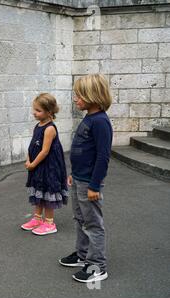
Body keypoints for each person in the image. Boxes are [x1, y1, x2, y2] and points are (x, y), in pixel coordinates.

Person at [59, 73, 112, 283]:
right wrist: (73, 173)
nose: (75, 99)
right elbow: (84, 151)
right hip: (79, 179)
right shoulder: (89, 118)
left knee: (93, 223)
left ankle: (97, 265)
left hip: (89, 183)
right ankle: (82, 255)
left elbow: (103, 156)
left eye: (79, 95)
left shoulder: (100, 122)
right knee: (80, 219)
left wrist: (94, 185)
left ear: (93, 96)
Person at [20, 93, 68, 235]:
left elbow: (45, 151)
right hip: (38, 166)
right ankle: (37, 219)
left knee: (48, 191)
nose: (34, 113)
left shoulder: (49, 128)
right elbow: (33, 146)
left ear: (49, 112)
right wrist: (29, 159)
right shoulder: (38, 125)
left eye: (38, 110)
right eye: (34, 109)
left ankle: (49, 222)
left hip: (49, 167)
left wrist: (33, 164)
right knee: (39, 190)